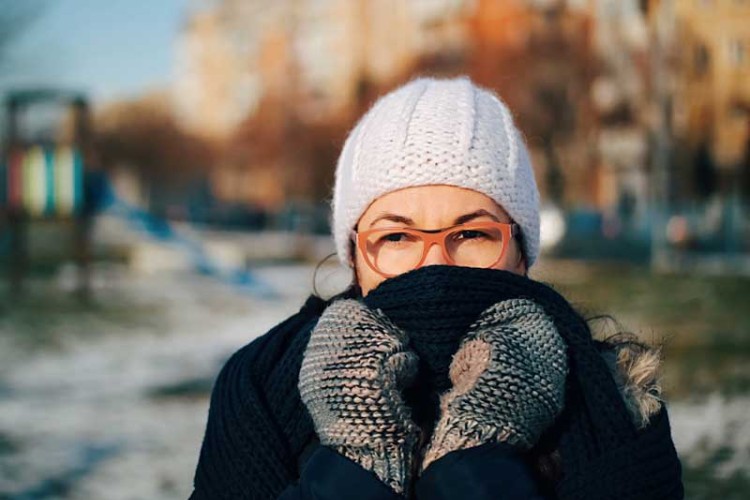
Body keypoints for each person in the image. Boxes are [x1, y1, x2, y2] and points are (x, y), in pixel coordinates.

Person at [189, 77, 683, 499]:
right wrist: (350, 476)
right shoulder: (259, 392)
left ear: (520, 251)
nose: (435, 264)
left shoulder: (613, 400)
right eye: (397, 236)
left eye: (471, 234)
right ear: (356, 253)